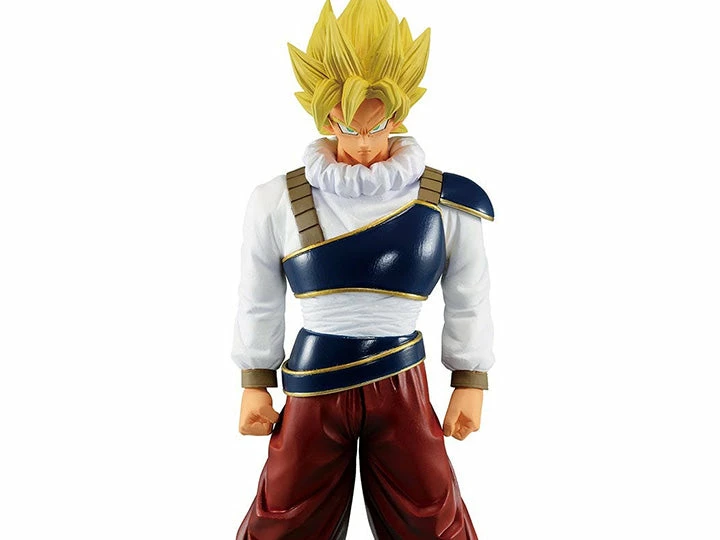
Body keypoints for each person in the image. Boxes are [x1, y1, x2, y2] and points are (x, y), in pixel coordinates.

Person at [232, 1, 495, 538]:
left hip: (402, 379)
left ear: (399, 114)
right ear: (325, 117)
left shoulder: (448, 201)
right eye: (347, 126)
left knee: (429, 511)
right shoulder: (276, 199)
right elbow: (258, 296)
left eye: (378, 124)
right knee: (287, 511)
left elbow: (469, 295)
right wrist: (255, 380)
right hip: (313, 379)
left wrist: (471, 380)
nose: (364, 143)